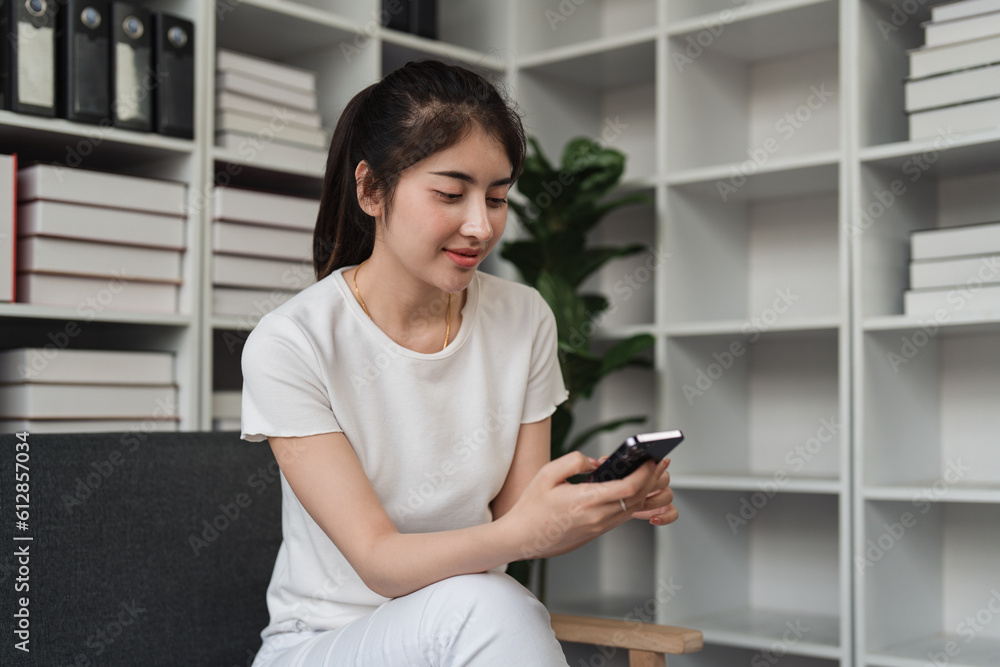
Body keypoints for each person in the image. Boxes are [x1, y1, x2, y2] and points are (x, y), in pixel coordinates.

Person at [240, 59, 678, 667]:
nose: (481, 226)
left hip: (469, 632)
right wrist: (523, 534)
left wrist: (613, 497)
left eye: (498, 198)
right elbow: (378, 562)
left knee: (490, 603)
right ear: (371, 190)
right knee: (493, 604)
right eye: (450, 194)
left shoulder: (524, 319)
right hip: (325, 643)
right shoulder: (292, 342)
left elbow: (521, 515)